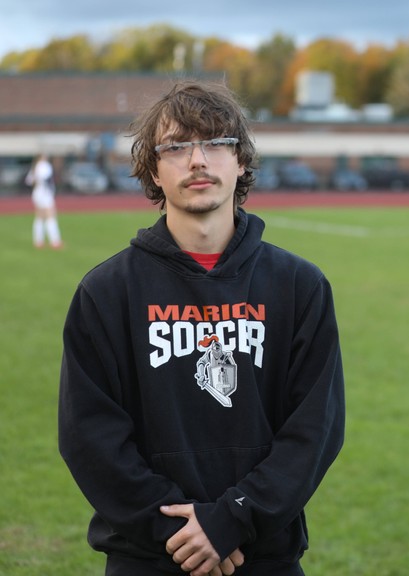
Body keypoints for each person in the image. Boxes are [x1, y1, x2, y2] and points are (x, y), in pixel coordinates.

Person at [58, 80, 345, 576]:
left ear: (240, 162)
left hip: (264, 556)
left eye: (215, 143)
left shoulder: (300, 286)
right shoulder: (106, 292)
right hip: (147, 557)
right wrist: (177, 530)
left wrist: (235, 517)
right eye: (176, 147)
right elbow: (90, 435)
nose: (198, 160)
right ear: (153, 168)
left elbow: (314, 429)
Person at [25, 153, 62, 248]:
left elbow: (29, 181)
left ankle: (38, 241)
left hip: (37, 193)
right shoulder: (45, 165)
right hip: (45, 194)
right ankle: (55, 241)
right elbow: (46, 180)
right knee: (50, 216)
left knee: (39, 217)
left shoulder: (35, 167)